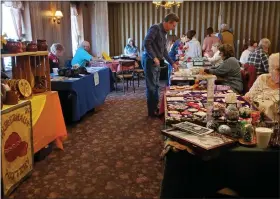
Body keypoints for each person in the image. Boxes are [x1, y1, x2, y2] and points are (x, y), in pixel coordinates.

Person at [142, 13, 179, 118]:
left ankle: (155, 108)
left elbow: (164, 52)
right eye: (173, 25)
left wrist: (172, 63)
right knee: (151, 87)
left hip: (155, 61)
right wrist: (154, 57)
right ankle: (151, 113)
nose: (173, 28)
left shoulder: (164, 33)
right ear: (168, 22)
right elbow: (146, 43)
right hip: (150, 60)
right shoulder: (155, 28)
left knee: (156, 86)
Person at [245, 53, 279, 120]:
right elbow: (249, 96)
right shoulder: (262, 78)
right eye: (278, 69)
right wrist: (247, 97)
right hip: (253, 117)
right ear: (271, 69)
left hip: (272, 125)